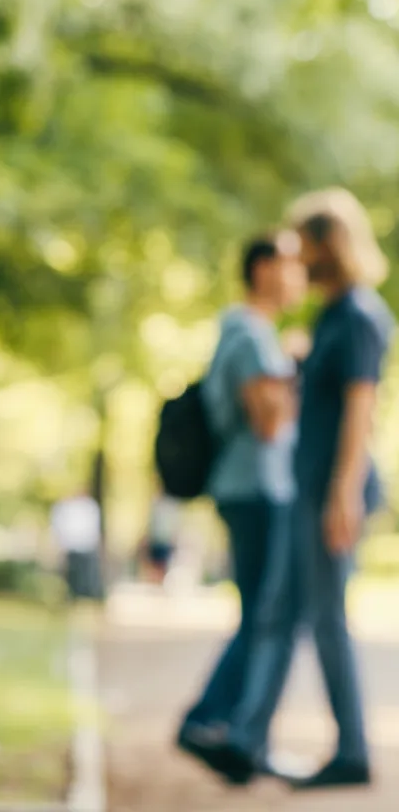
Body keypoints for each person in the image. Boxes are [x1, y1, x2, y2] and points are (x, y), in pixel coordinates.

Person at [211, 189, 393, 789]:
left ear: (327, 245)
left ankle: (352, 752)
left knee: (326, 619)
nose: (295, 256)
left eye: (302, 244)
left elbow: (360, 408)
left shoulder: (362, 315)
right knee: (278, 611)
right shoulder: (332, 316)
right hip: (304, 488)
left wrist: (342, 493)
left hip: (329, 492)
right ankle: (247, 738)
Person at [177, 233, 305, 768]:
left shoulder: (253, 333)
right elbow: (270, 423)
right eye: (290, 265)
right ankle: (213, 723)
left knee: (261, 613)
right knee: (266, 614)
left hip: (252, 488)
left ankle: (223, 725)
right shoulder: (253, 336)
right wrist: (297, 368)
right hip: (256, 489)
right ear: (263, 270)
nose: (299, 275)